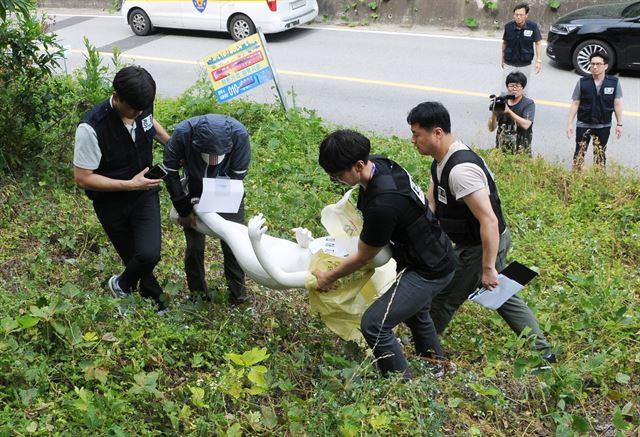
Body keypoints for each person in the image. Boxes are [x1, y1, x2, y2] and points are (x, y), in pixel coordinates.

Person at [407, 102, 555, 361]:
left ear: (438, 133)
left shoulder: (462, 171)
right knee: (503, 298)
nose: (413, 140)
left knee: (445, 298)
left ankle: (425, 353)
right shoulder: (440, 161)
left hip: (482, 246)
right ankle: (544, 354)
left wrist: (488, 268)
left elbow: (489, 221)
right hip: (469, 244)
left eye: (417, 134)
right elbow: (435, 200)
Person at [313, 130, 457, 378]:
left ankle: (402, 385)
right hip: (432, 251)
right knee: (417, 312)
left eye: (337, 176)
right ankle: (437, 366)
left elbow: (363, 256)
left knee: (374, 325)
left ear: (359, 165)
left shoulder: (383, 203)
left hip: (429, 269)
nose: (336, 181)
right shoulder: (381, 163)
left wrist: (329, 276)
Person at [73, 66, 170, 311]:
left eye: (142, 109)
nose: (138, 114)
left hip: (144, 192)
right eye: (132, 110)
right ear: (116, 96)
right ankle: (158, 301)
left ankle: (121, 284)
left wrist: (170, 142)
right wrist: (128, 184)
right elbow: (83, 178)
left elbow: (149, 121)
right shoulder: (91, 128)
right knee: (133, 256)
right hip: (111, 201)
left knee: (149, 254)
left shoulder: (140, 105)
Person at [163, 114, 251, 305]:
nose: (213, 159)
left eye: (218, 155)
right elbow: (170, 174)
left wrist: (216, 205)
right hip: (194, 186)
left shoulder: (239, 135)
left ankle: (239, 296)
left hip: (227, 188)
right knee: (195, 247)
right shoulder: (182, 133)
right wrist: (184, 209)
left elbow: (237, 178)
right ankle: (198, 296)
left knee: (234, 242)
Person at [566, 51, 623, 170]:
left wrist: (619, 124)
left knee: (600, 155)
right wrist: (569, 124)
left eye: (598, 64)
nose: (595, 67)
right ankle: (575, 178)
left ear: (605, 66)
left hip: (603, 125)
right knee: (579, 153)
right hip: (584, 124)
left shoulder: (614, 83)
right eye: (592, 64)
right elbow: (575, 103)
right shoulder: (582, 82)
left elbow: (617, 104)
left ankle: (598, 181)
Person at [488, 71, 535, 155]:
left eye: (517, 86)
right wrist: (494, 114)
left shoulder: (528, 104)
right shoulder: (502, 102)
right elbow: (491, 128)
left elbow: (526, 125)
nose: (514, 89)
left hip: (521, 151)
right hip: (501, 150)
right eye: (511, 86)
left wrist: (508, 111)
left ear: (523, 88)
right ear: (507, 87)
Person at [501, 3, 543, 85]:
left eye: (521, 15)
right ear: (514, 15)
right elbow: (504, 43)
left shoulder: (533, 27)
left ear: (526, 15)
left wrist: (538, 61)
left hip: (525, 64)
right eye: (516, 14)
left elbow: (538, 43)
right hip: (509, 63)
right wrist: (502, 59)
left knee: (523, 90)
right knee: (506, 90)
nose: (518, 17)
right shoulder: (508, 27)